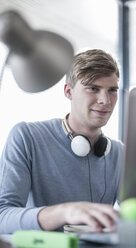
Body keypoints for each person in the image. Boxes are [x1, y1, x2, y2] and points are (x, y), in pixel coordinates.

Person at [0, 49, 124, 234]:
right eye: (93, 88)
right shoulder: (27, 136)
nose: (105, 100)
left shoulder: (119, 152)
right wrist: (66, 212)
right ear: (68, 91)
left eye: (112, 90)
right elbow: (3, 217)